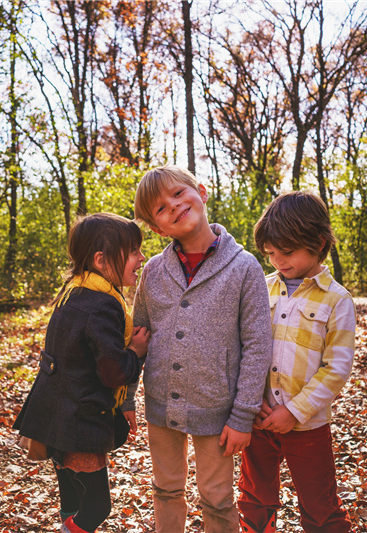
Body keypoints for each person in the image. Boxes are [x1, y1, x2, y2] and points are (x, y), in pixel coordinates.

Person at [132, 165, 273, 533]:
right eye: (161, 208)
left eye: (178, 194)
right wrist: (125, 398)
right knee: (165, 489)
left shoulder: (244, 268)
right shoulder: (153, 272)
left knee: (217, 497)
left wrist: (243, 415)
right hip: (162, 406)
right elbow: (138, 340)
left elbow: (258, 346)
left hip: (218, 409)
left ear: (202, 191)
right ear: (157, 228)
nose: (174, 207)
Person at [13, 212, 151, 533]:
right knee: (97, 507)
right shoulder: (101, 305)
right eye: (132, 251)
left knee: (72, 500)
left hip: (57, 415)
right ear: (101, 260)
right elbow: (113, 372)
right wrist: (136, 351)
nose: (141, 257)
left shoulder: (73, 291)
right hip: (80, 423)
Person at [237, 190, 356, 533]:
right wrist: (250, 400)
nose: (277, 261)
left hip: (307, 425)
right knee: (254, 497)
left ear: (318, 242)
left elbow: (337, 368)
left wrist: (293, 411)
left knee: (320, 505)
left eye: (286, 252)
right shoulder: (260, 287)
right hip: (258, 419)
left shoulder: (337, 300)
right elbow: (245, 345)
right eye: (270, 253)